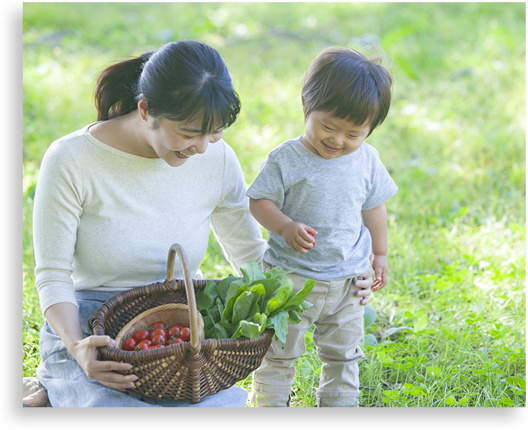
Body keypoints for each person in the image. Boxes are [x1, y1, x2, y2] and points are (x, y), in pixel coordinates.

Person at [31, 40, 376, 408]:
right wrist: (77, 347)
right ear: (146, 109)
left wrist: (334, 276)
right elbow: (52, 275)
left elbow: (249, 252)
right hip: (92, 326)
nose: (202, 148)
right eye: (190, 132)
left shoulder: (217, 158)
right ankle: (55, 385)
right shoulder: (71, 159)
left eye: (215, 132)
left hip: (178, 328)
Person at [246, 45, 397, 407]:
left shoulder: (367, 160)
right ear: (306, 106)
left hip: (348, 281)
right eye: (328, 126)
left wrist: (380, 254)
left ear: (370, 130)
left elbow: (374, 207)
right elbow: (258, 201)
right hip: (291, 281)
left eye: (354, 133)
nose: (338, 140)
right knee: (277, 355)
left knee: (345, 356)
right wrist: (284, 227)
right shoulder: (286, 159)